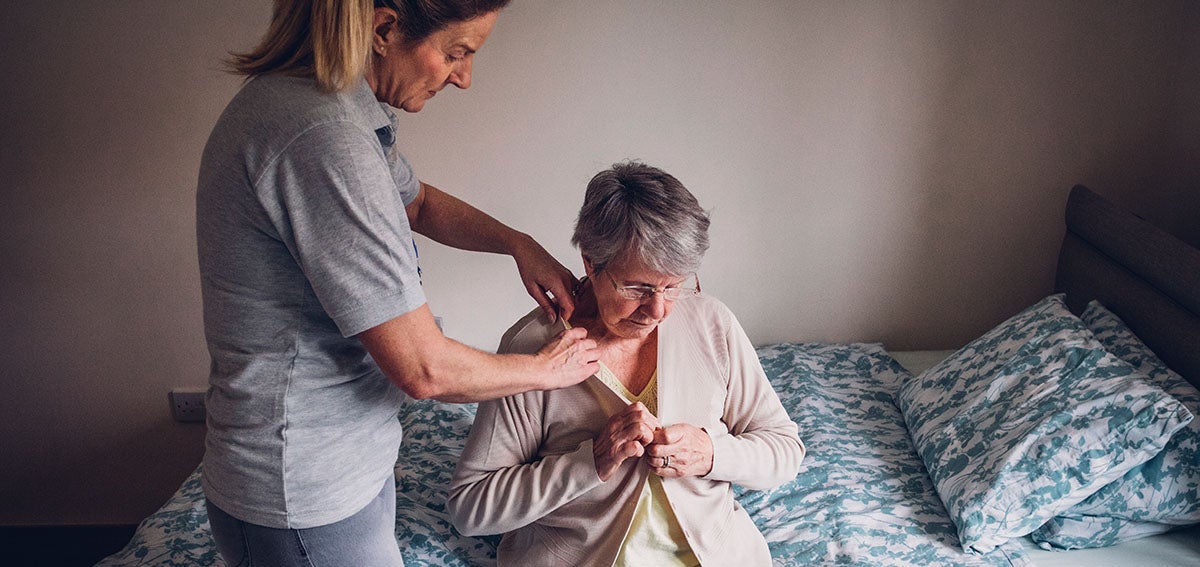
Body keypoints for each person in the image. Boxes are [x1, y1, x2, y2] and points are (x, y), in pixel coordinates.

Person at [195, 0, 601, 564]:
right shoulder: (322, 137)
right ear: (384, 29)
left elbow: (419, 203)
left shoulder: (339, 108)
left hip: (338, 459)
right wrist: (544, 371)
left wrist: (517, 243)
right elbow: (423, 369)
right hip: (305, 484)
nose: (463, 78)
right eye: (455, 53)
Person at [446, 162, 806, 567]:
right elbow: (469, 508)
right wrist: (590, 462)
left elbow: (784, 451)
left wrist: (711, 454)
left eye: (674, 286)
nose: (657, 309)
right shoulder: (533, 349)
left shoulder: (712, 323)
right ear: (590, 262)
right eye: (638, 288)